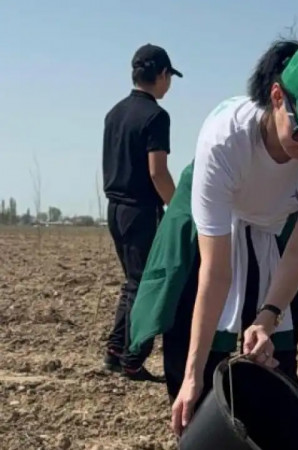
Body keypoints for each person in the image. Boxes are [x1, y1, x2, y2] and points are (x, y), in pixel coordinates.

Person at [126, 39, 298, 437]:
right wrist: (192, 373)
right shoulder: (226, 140)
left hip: (273, 228)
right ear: (276, 97)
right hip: (211, 226)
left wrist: (268, 317)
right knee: (197, 361)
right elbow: (216, 273)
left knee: (274, 362)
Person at [101, 43, 180, 381]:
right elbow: (157, 172)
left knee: (133, 283)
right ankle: (133, 358)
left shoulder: (114, 113)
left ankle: (116, 350)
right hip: (141, 211)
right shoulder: (156, 116)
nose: (169, 84)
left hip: (115, 209)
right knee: (149, 285)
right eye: (169, 77)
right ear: (161, 75)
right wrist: (179, 208)